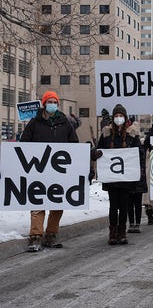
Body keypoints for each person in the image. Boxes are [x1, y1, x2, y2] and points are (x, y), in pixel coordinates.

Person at [21, 91, 79, 252]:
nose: (52, 104)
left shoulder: (65, 123)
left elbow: (74, 144)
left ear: (57, 105)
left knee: (57, 203)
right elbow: (23, 144)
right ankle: (35, 236)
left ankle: (51, 235)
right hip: (38, 170)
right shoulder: (34, 123)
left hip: (58, 172)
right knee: (37, 203)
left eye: (55, 102)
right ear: (44, 103)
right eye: (49, 101)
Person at [96, 104, 143, 245]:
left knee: (124, 206)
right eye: (116, 116)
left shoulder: (132, 134)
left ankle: (122, 232)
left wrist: (138, 169)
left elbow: (138, 152)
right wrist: (96, 153)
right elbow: (100, 149)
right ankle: (112, 232)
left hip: (126, 178)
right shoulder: (106, 133)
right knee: (113, 206)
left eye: (120, 116)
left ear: (125, 117)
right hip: (111, 178)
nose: (118, 119)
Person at [127, 116, 145, 234]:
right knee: (129, 202)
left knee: (137, 202)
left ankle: (137, 223)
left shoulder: (137, 141)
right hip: (127, 174)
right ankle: (131, 223)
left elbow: (141, 154)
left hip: (136, 174)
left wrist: (141, 169)